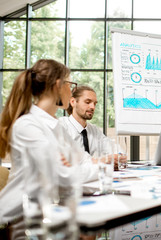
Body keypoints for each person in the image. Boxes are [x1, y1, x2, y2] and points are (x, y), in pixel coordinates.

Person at [0, 59, 98, 224]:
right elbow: (63, 176)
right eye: (69, 84)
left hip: (48, 212)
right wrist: (101, 169)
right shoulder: (27, 125)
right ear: (58, 85)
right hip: (19, 220)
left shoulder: (57, 126)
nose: (71, 90)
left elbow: (82, 161)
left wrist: (71, 167)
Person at [59, 85, 110, 156]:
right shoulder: (61, 126)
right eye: (87, 102)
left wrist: (118, 156)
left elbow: (113, 149)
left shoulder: (94, 130)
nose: (93, 107)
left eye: (95, 104)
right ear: (73, 102)